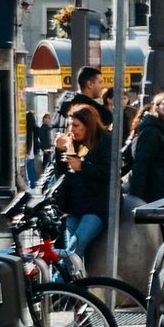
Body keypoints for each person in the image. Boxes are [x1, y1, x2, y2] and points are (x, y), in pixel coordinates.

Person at [53, 104, 113, 258]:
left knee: (74, 249)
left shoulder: (104, 141)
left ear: (88, 125)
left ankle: (63, 275)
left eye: (76, 125)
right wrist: (59, 152)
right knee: (68, 251)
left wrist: (82, 166)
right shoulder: (72, 141)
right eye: (70, 125)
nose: (72, 130)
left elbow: (110, 172)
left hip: (97, 207)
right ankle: (70, 274)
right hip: (75, 206)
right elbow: (62, 174)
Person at [61, 65, 112, 130]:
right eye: (100, 82)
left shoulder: (64, 102)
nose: (102, 86)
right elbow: (107, 119)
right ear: (90, 84)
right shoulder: (94, 109)